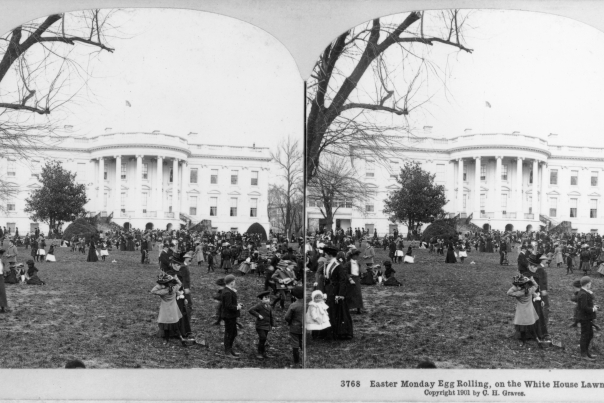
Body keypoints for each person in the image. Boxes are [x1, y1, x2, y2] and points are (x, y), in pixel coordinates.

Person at [322, 245, 353, 340]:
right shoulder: (328, 264)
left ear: (330, 255)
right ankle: (328, 332)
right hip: (329, 290)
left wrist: (340, 294)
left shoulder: (338, 266)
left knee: (334, 311)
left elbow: (343, 281)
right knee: (328, 310)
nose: (325, 256)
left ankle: (336, 332)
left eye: (326, 255)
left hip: (335, 291)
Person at [150, 273, 188, 347]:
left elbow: (153, 291)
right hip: (174, 309)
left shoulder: (163, 292)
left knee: (166, 326)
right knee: (175, 325)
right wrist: (176, 278)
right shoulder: (174, 289)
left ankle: (166, 340)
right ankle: (181, 338)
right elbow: (180, 284)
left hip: (165, 310)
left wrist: (161, 285)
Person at [507, 274, 540, 348]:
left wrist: (515, 287)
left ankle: (523, 342)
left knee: (522, 329)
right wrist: (531, 279)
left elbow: (508, 293)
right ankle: (537, 339)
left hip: (521, 312)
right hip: (530, 311)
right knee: (532, 326)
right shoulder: (530, 291)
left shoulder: (519, 293)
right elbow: (536, 286)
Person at [221, 274, 243, 358]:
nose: (235, 283)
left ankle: (230, 349)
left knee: (233, 333)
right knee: (229, 333)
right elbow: (228, 306)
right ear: (231, 283)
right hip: (229, 316)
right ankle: (227, 351)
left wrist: (237, 304)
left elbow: (230, 303)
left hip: (231, 316)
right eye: (234, 281)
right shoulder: (227, 292)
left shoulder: (229, 290)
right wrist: (237, 307)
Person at [248, 290, 275, 359]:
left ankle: (263, 353)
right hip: (260, 326)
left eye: (268, 298)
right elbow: (251, 310)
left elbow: (271, 316)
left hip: (266, 326)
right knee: (263, 338)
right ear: (261, 299)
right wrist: (258, 315)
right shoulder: (259, 305)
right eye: (265, 298)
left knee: (263, 339)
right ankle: (259, 353)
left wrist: (272, 325)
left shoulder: (269, 307)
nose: (267, 300)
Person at [577, 276, 599, 360]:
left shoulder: (584, 292)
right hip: (584, 318)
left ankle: (586, 352)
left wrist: (593, 306)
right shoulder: (583, 294)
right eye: (590, 283)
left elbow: (587, 304)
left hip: (587, 318)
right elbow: (584, 307)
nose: (590, 285)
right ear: (587, 284)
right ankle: (583, 354)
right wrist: (593, 309)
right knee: (585, 335)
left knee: (589, 335)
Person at [284, 285, 304, 366]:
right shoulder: (307, 304)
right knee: (302, 342)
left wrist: (290, 322)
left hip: (295, 327)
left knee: (295, 344)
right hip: (304, 327)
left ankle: (296, 361)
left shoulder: (293, 305)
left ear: (294, 295)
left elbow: (287, 317)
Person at [343, 248, 364, 314]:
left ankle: (358, 308)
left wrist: (360, 276)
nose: (357, 256)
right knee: (350, 294)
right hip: (350, 280)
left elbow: (359, 271)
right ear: (352, 256)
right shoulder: (348, 263)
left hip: (357, 279)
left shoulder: (358, 263)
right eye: (356, 255)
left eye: (358, 255)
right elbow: (345, 272)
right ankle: (348, 308)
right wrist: (350, 278)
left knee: (358, 294)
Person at [0, 249, 8, 313]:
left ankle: (2, 307)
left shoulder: (2, 262)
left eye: (1, 254)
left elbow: (3, 270)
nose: (1, 255)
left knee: (2, 292)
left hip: (1, 277)